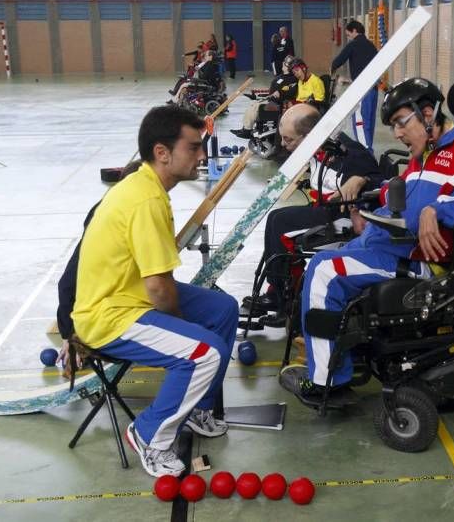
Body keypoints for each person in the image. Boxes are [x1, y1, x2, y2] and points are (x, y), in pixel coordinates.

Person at [279, 78, 454, 406]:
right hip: (387, 243)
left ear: (427, 113)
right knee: (318, 260)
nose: (396, 133)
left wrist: (435, 209)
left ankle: (326, 381)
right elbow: (402, 192)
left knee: (325, 272)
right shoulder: (427, 151)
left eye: (400, 123)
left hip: (421, 264)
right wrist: (366, 202)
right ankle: (338, 354)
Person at [72, 105, 239, 477]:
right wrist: (185, 332)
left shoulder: (147, 187)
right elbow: (159, 288)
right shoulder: (145, 199)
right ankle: (150, 435)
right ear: (162, 153)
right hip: (110, 316)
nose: (201, 156)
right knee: (203, 352)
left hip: (131, 296)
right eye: (194, 148)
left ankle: (197, 407)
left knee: (223, 309)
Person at [243, 104, 383, 328]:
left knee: (281, 222)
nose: (284, 146)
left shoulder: (350, 153)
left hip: (343, 217)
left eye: (288, 140)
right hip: (325, 209)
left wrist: (361, 178)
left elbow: (376, 177)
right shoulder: (318, 147)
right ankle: (275, 288)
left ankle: (287, 303)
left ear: (309, 136)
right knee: (274, 218)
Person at [56, 160, 143, 373]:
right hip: (98, 315)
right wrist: (70, 335)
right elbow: (67, 283)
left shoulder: (136, 209)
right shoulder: (107, 217)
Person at [331, 20, 379, 151]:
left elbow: (337, 61)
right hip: (373, 90)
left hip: (361, 91)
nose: (348, 37)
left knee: (360, 125)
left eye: (348, 34)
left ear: (354, 31)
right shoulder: (371, 46)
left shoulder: (353, 45)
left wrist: (332, 72)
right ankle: (369, 149)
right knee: (369, 124)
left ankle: (367, 156)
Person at [230, 54, 297, 139]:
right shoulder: (280, 77)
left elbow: (288, 92)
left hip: (277, 102)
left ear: (289, 67)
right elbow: (271, 92)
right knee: (253, 104)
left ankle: (247, 131)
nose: (282, 64)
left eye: (284, 64)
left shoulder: (292, 79)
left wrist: (280, 93)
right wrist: (257, 96)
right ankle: (245, 128)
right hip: (271, 99)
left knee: (256, 107)